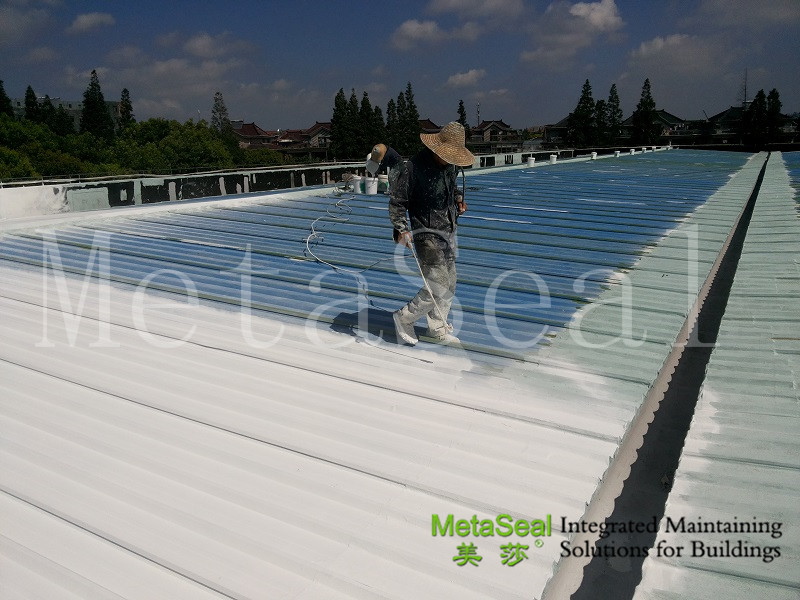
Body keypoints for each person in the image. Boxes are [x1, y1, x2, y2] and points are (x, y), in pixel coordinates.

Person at [388, 122, 474, 345]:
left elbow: (452, 187)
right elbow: (398, 202)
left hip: (448, 229)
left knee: (450, 282)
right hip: (425, 232)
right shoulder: (413, 168)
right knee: (438, 284)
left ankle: (437, 326)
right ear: (437, 148)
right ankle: (404, 318)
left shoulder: (450, 166)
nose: (450, 160)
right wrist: (401, 229)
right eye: (447, 155)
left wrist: (458, 199)